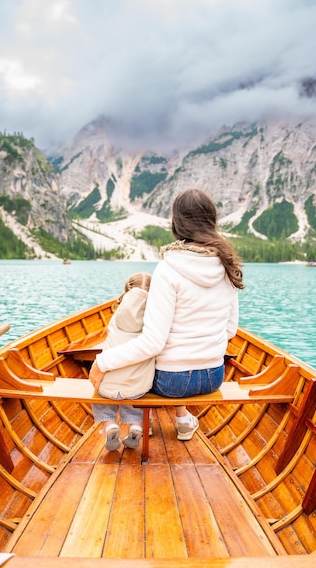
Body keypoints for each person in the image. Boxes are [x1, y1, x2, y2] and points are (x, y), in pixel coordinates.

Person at [89, 188, 244, 442]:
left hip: (172, 383)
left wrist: (102, 362)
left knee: (133, 366)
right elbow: (230, 331)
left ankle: (139, 423)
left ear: (177, 223)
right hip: (214, 375)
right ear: (211, 222)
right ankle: (182, 420)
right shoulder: (228, 266)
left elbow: (153, 343)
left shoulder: (167, 269)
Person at [91, 272, 154, 451]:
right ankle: (137, 427)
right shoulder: (154, 320)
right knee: (137, 392)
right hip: (137, 388)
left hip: (108, 387)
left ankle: (109, 423)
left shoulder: (116, 316)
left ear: (126, 291)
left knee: (99, 392)